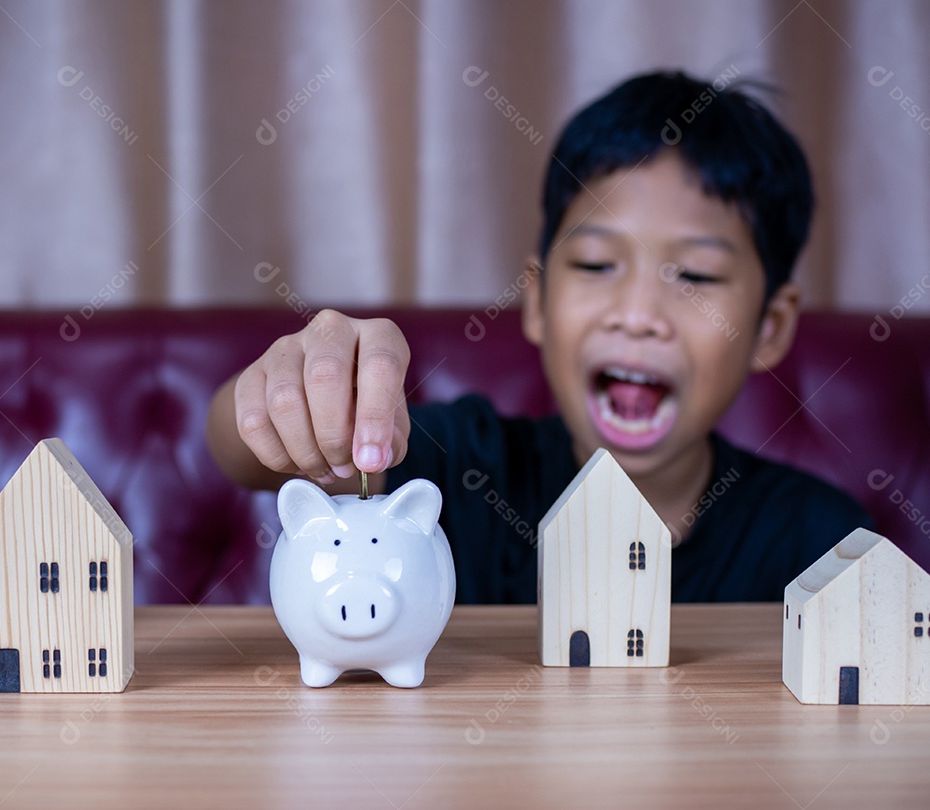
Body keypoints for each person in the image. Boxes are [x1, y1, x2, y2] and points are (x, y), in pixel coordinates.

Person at [207, 70, 872, 604]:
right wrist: (293, 395)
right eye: (595, 265)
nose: (637, 313)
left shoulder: (814, 538)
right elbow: (241, 454)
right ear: (538, 302)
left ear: (770, 327)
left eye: (695, 275)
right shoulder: (459, 468)